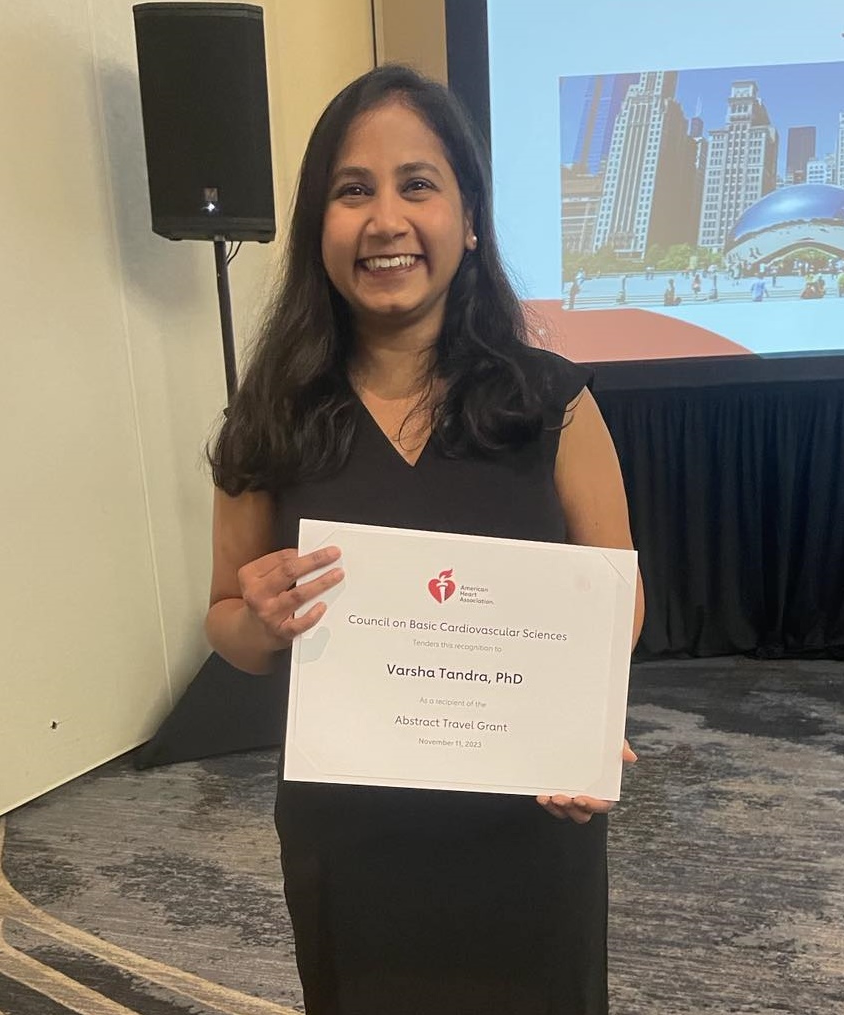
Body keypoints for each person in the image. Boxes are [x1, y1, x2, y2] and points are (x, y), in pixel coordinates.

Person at [205, 64, 644, 1015]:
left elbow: (616, 591)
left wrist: (578, 722)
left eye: (418, 184)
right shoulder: (270, 417)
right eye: (351, 190)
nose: (385, 219)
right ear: (317, 226)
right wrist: (264, 617)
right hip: (350, 831)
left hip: (524, 822)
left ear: (469, 219)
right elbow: (227, 627)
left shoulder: (552, 402)